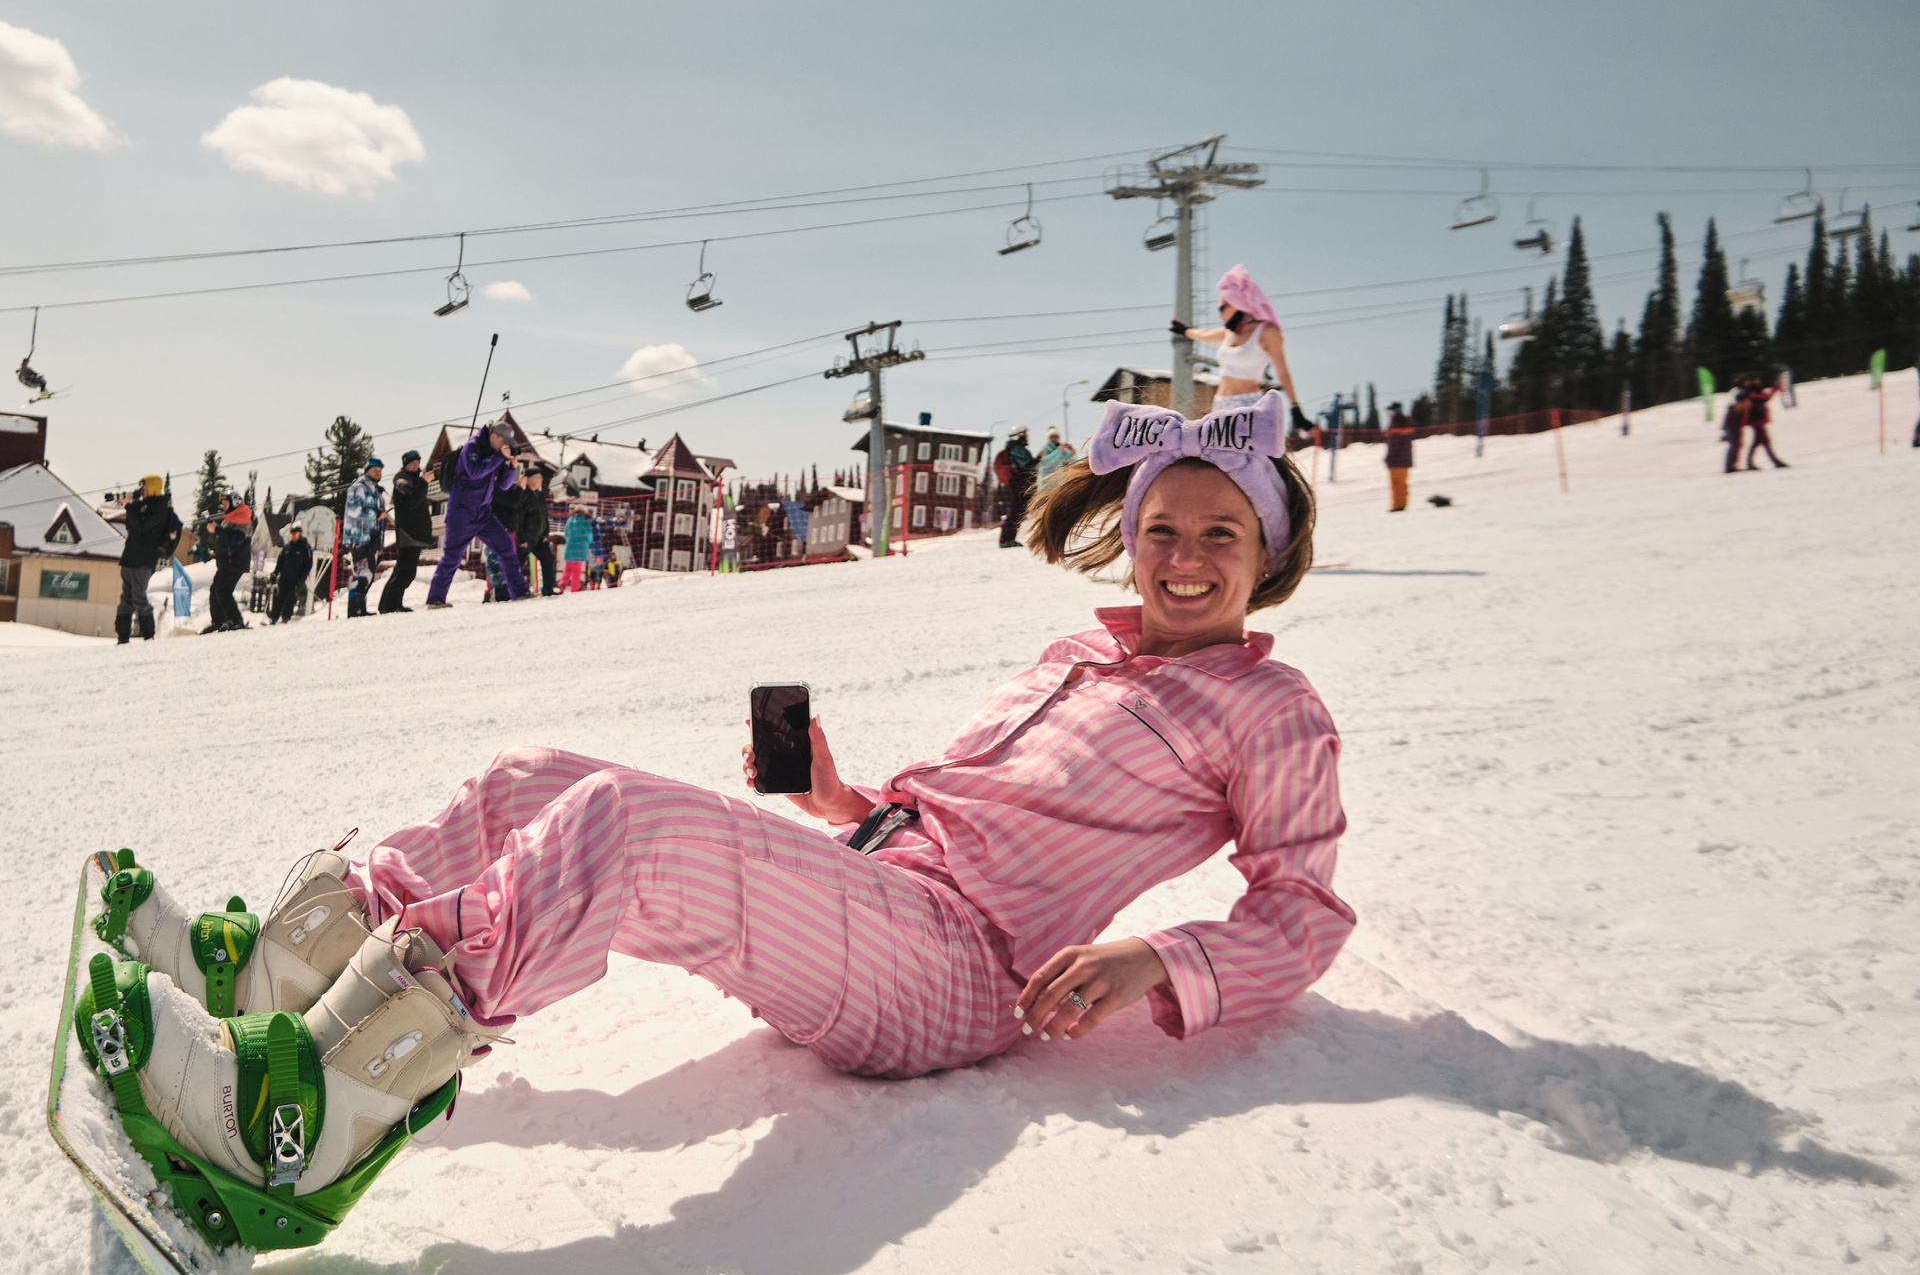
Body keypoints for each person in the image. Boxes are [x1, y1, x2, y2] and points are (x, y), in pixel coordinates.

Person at [76, 388, 1348, 1217]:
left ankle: (318, 1119)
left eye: (1220, 537)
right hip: (892, 898)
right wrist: (838, 796)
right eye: (1165, 530)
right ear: (1130, 537)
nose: (1184, 559)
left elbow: (1302, 913)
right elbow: (972, 821)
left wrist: (1153, 958)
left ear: (1270, 556)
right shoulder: (1078, 656)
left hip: (962, 975)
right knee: (531, 780)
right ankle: (283, 978)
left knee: (618, 825)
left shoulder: (1269, 711)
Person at [1177, 265, 1314, 432]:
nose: (1219, 314)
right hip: (1220, 403)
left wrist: (1295, 408)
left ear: (1238, 302)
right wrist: (1184, 330)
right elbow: (1205, 334)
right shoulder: (1230, 332)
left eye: (1223, 307)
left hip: (1248, 406)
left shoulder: (1267, 332)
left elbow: (1282, 371)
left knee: (1250, 458)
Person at [425, 424, 530, 607]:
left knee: (506, 547)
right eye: (505, 441)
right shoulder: (472, 446)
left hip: (483, 512)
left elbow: (504, 486)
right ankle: (435, 599)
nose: (506, 445)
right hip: (461, 512)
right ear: (495, 436)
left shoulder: (496, 454)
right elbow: (475, 471)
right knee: (452, 556)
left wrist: (510, 468)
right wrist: (498, 457)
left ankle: (520, 592)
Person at [117, 475, 183, 644]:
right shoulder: (142, 506)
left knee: (139, 597)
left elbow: (142, 527)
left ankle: (148, 636)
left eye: (145, 487)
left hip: (143, 560)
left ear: (153, 488)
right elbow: (133, 527)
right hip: (130, 558)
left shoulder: (159, 508)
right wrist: (131, 506)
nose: (142, 490)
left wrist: (130, 507)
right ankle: (122, 637)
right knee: (126, 598)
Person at [379, 451, 432, 613]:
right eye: (412, 463)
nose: (416, 465)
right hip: (408, 533)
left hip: (414, 533)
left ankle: (388, 604)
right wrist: (423, 482)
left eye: (418, 462)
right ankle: (391, 605)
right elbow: (412, 502)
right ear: (405, 464)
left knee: (404, 570)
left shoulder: (414, 479)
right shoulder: (402, 481)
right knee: (405, 571)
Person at [343, 459, 387, 617]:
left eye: (380, 470)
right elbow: (353, 510)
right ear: (366, 470)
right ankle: (355, 609)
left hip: (372, 538)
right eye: (374, 469)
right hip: (360, 537)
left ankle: (359, 607)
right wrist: (376, 514)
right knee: (363, 573)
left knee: (368, 573)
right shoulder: (359, 486)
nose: (378, 472)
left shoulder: (376, 490)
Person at [514, 462, 559, 594]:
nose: (539, 481)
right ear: (528, 479)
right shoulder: (522, 495)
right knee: (519, 564)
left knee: (548, 559)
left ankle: (548, 589)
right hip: (526, 538)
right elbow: (519, 518)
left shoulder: (539, 495)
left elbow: (544, 516)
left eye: (540, 478)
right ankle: (518, 591)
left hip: (540, 538)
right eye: (536, 478)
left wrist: (545, 534)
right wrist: (521, 539)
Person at [208, 503, 252, 631]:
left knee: (223, 590)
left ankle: (236, 620)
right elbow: (225, 541)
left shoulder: (242, 517)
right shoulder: (230, 518)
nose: (223, 505)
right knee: (215, 589)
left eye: (226, 502)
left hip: (235, 562)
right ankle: (219, 621)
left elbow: (235, 539)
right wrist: (216, 552)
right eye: (222, 502)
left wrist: (217, 530)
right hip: (227, 562)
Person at [994, 427, 1037, 547]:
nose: (1028, 437)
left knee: (1017, 512)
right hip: (1017, 485)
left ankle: (1008, 539)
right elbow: (1029, 464)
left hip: (1015, 485)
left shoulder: (1013, 449)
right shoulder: (1018, 450)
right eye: (1025, 435)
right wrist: (1040, 458)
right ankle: (1006, 540)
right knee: (1015, 512)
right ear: (1020, 436)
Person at [269, 524, 312, 624]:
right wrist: (275, 573)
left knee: (290, 597)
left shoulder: (305, 548)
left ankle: (286, 616)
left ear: (300, 535)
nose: (293, 536)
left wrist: (302, 578)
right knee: (280, 596)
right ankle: (274, 617)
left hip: (295, 578)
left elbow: (308, 565)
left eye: (296, 534)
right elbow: (280, 561)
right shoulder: (287, 547)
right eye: (292, 534)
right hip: (285, 576)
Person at [1743, 377, 1788, 470]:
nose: (1758, 382)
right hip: (1757, 422)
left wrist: (1775, 387)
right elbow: (1766, 397)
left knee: (1761, 442)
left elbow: (1766, 396)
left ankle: (1773, 461)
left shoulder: (1754, 393)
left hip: (1758, 421)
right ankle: (1774, 461)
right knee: (1762, 442)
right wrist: (1776, 387)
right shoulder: (1753, 394)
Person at [1383, 403, 1415, 512]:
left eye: (1390, 411)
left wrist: (1389, 457)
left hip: (1397, 460)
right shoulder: (1401, 423)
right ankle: (1399, 504)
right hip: (1402, 460)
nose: (1389, 414)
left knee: (1398, 483)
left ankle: (1398, 505)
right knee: (1399, 483)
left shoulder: (1398, 424)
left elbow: (1395, 445)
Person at [562, 500, 596, 591]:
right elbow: (588, 533)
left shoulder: (570, 519)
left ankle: (562, 584)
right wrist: (589, 541)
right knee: (577, 570)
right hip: (580, 546)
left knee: (567, 568)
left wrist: (568, 540)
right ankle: (574, 588)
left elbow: (565, 533)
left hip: (570, 546)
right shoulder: (585, 520)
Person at [1721, 386, 1750, 473]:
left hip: (1735, 428)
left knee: (1737, 446)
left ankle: (1732, 465)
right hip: (1733, 428)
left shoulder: (1737, 406)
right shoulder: (1735, 407)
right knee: (1734, 446)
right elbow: (1729, 420)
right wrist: (1726, 431)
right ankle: (1729, 466)